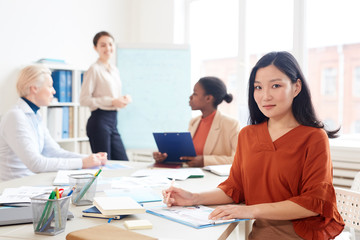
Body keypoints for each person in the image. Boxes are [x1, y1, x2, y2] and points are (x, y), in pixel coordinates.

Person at [162, 52, 344, 239]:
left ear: (296, 87)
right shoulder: (248, 135)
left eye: (275, 85)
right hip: (261, 235)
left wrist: (250, 211)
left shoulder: (314, 137)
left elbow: (313, 203)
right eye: (258, 87)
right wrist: (194, 198)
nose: (265, 96)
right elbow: (235, 188)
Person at [0, 65, 108, 181]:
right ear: (34, 88)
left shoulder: (35, 115)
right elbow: (36, 164)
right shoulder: (15, 116)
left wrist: (90, 158)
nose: (54, 91)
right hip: (14, 187)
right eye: (50, 86)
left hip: (30, 182)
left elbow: (53, 151)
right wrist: (82, 162)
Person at [153, 76, 240, 167]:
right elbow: (187, 156)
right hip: (191, 176)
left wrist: (205, 161)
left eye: (195, 94)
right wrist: (164, 157)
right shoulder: (194, 122)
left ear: (208, 98)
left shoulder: (231, 124)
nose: (190, 97)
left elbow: (239, 158)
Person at [80, 31, 131, 161]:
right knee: (104, 165)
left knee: (123, 162)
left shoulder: (114, 70)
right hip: (99, 121)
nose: (108, 48)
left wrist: (122, 100)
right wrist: (112, 101)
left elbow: (114, 97)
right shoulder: (94, 69)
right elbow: (84, 99)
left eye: (110, 44)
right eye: (103, 45)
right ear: (95, 48)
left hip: (113, 121)